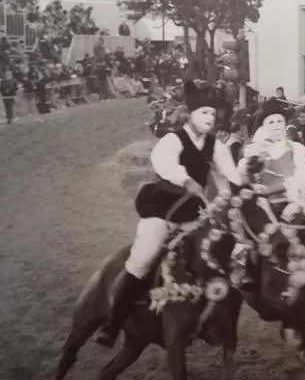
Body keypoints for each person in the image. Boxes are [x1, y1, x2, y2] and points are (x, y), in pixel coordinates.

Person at [94, 80, 242, 349]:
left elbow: (230, 175)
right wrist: (185, 180)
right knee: (144, 256)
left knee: (218, 254)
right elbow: (163, 163)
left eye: (213, 113)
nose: (210, 118)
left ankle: (207, 320)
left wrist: (242, 186)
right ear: (191, 114)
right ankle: (113, 324)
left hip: (195, 211)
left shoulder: (215, 145)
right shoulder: (173, 140)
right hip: (163, 207)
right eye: (204, 113)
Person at [238, 97, 305, 210]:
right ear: (264, 127)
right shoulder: (254, 149)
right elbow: (244, 180)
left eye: (279, 121)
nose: (276, 125)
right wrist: (246, 166)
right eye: (271, 122)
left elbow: (302, 178)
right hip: (261, 206)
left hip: (291, 204)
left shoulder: (297, 149)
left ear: (285, 125)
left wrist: (275, 188)